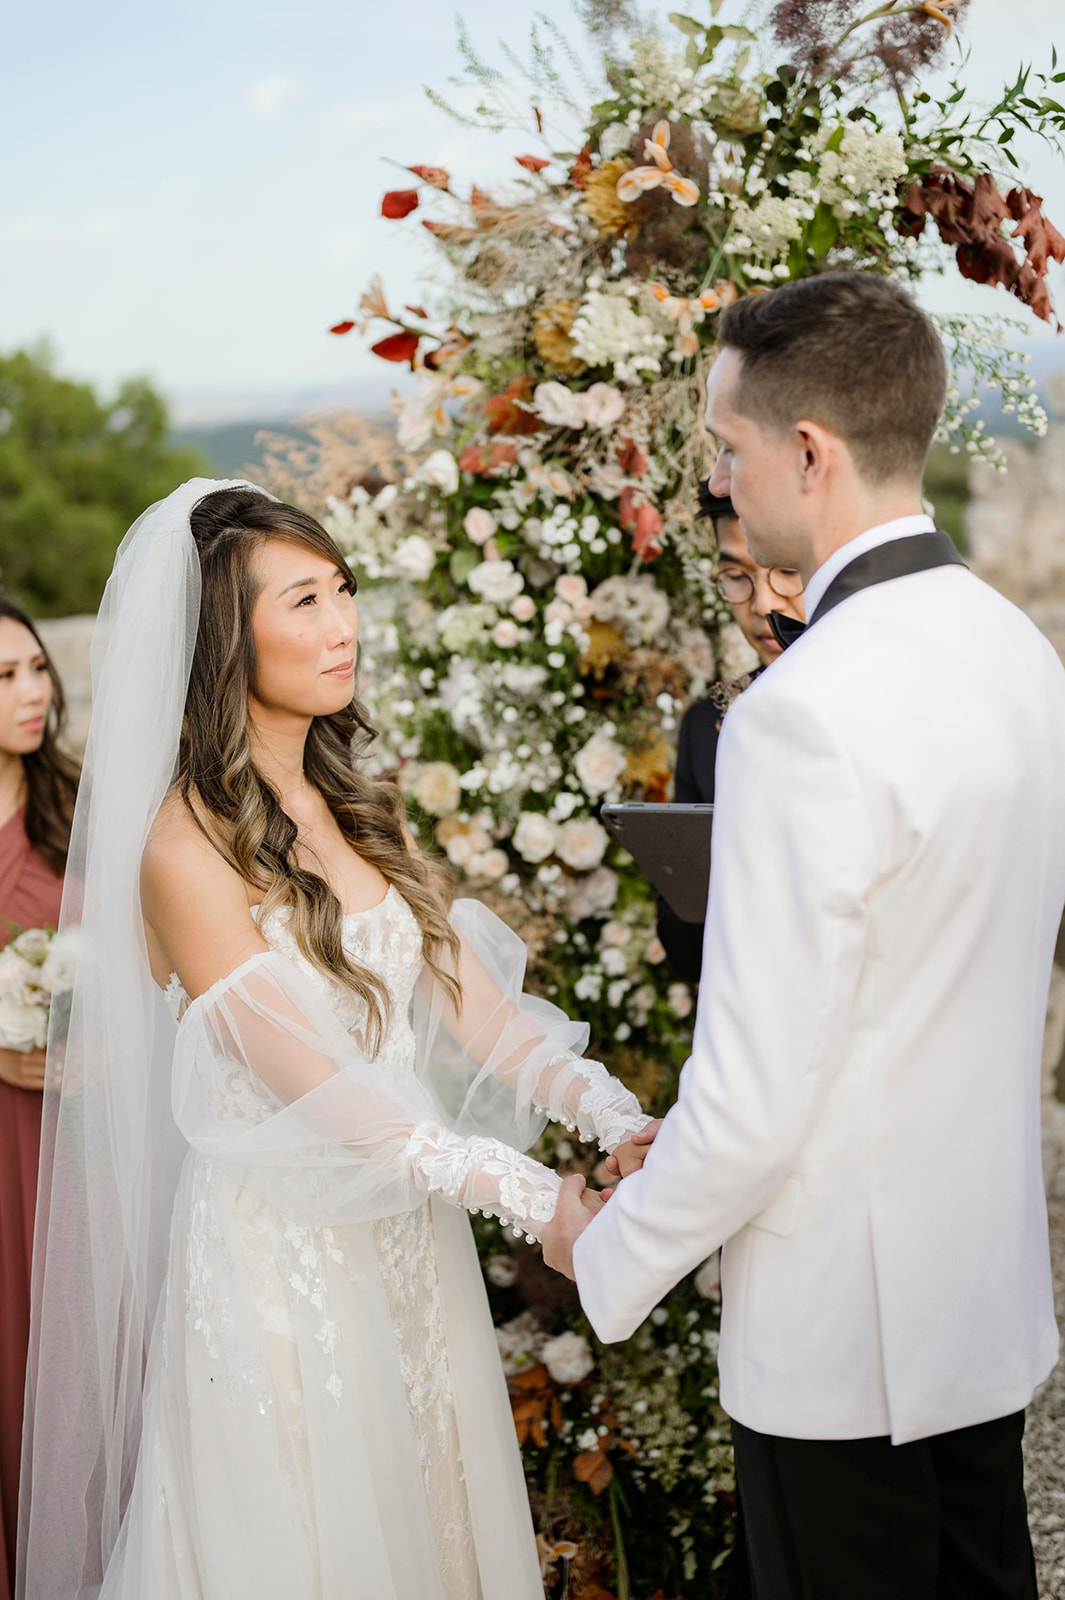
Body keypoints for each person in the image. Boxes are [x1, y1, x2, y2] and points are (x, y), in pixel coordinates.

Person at [18, 480, 651, 1600]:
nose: (344, 622)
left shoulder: (360, 799)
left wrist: (611, 1114)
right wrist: (527, 1193)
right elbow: (315, 1085)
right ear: (227, 639)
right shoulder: (181, 847)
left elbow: (473, 1003)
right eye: (304, 598)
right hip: (282, 1256)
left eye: (345, 589)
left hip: (407, 1232)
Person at [545, 272, 1065, 1600]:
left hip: (843, 1337)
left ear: (808, 451)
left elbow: (755, 1096)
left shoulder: (801, 709)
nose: (720, 481)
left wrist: (603, 1247)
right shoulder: (1017, 653)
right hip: (975, 1292)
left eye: (725, 449)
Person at [0, 598, 79, 1600]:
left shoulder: (76, 806)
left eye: (34, 669)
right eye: (3, 678)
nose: (31, 693)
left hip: (69, 1143)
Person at [656, 487, 805, 981]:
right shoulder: (706, 724)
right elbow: (681, 939)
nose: (763, 604)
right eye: (736, 577)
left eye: (787, 571)